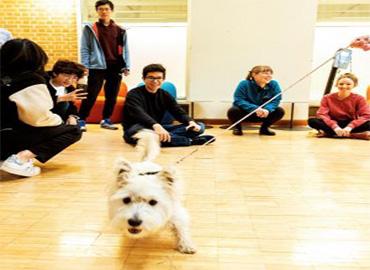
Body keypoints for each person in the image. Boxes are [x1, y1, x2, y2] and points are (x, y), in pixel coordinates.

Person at [0, 39, 82, 177]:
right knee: (73, 131)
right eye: (66, 75)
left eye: (73, 77)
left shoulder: (4, 76)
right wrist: (61, 124)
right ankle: (19, 160)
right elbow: (38, 118)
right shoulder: (31, 80)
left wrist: (72, 115)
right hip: (8, 135)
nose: (69, 80)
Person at [122, 64, 215, 147]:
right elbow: (139, 113)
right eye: (151, 77)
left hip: (158, 128)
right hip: (136, 128)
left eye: (158, 78)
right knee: (145, 135)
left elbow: (178, 111)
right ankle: (190, 141)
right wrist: (156, 125)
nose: (155, 81)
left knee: (199, 126)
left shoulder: (164, 94)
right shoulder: (133, 94)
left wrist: (190, 122)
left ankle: (167, 136)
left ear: (163, 80)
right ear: (143, 78)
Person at [79, 0, 130, 131]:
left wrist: (126, 65)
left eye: (106, 9)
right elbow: (85, 48)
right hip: (96, 67)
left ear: (111, 11)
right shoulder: (90, 28)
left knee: (111, 96)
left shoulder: (120, 30)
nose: (104, 11)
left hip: (115, 66)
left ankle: (106, 120)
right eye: (101, 9)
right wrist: (85, 65)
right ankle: (82, 120)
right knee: (91, 95)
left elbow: (125, 49)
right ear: (97, 11)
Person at [308, 73, 370, 140]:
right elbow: (322, 114)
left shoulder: (359, 98)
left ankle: (330, 133)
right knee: (312, 121)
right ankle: (353, 135)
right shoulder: (327, 98)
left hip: (350, 124)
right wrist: (335, 127)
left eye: (348, 84)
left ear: (354, 85)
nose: (344, 86)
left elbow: (366, 115)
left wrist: (350, 127)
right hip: (332, 123)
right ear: (337, 84)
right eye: (341, 84)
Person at [227, 65, 285, 136]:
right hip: (246, 112)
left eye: (270, 74)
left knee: (279, 111)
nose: (269, 76)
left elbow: (276, 99)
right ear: (254, 74)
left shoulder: (274, 84)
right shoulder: (244, 84)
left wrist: (268, 109)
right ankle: (237, 128)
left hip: (263, 113)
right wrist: (254, 108)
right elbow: (239, 99)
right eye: (265, 73)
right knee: (233, 111)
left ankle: (264, 129)